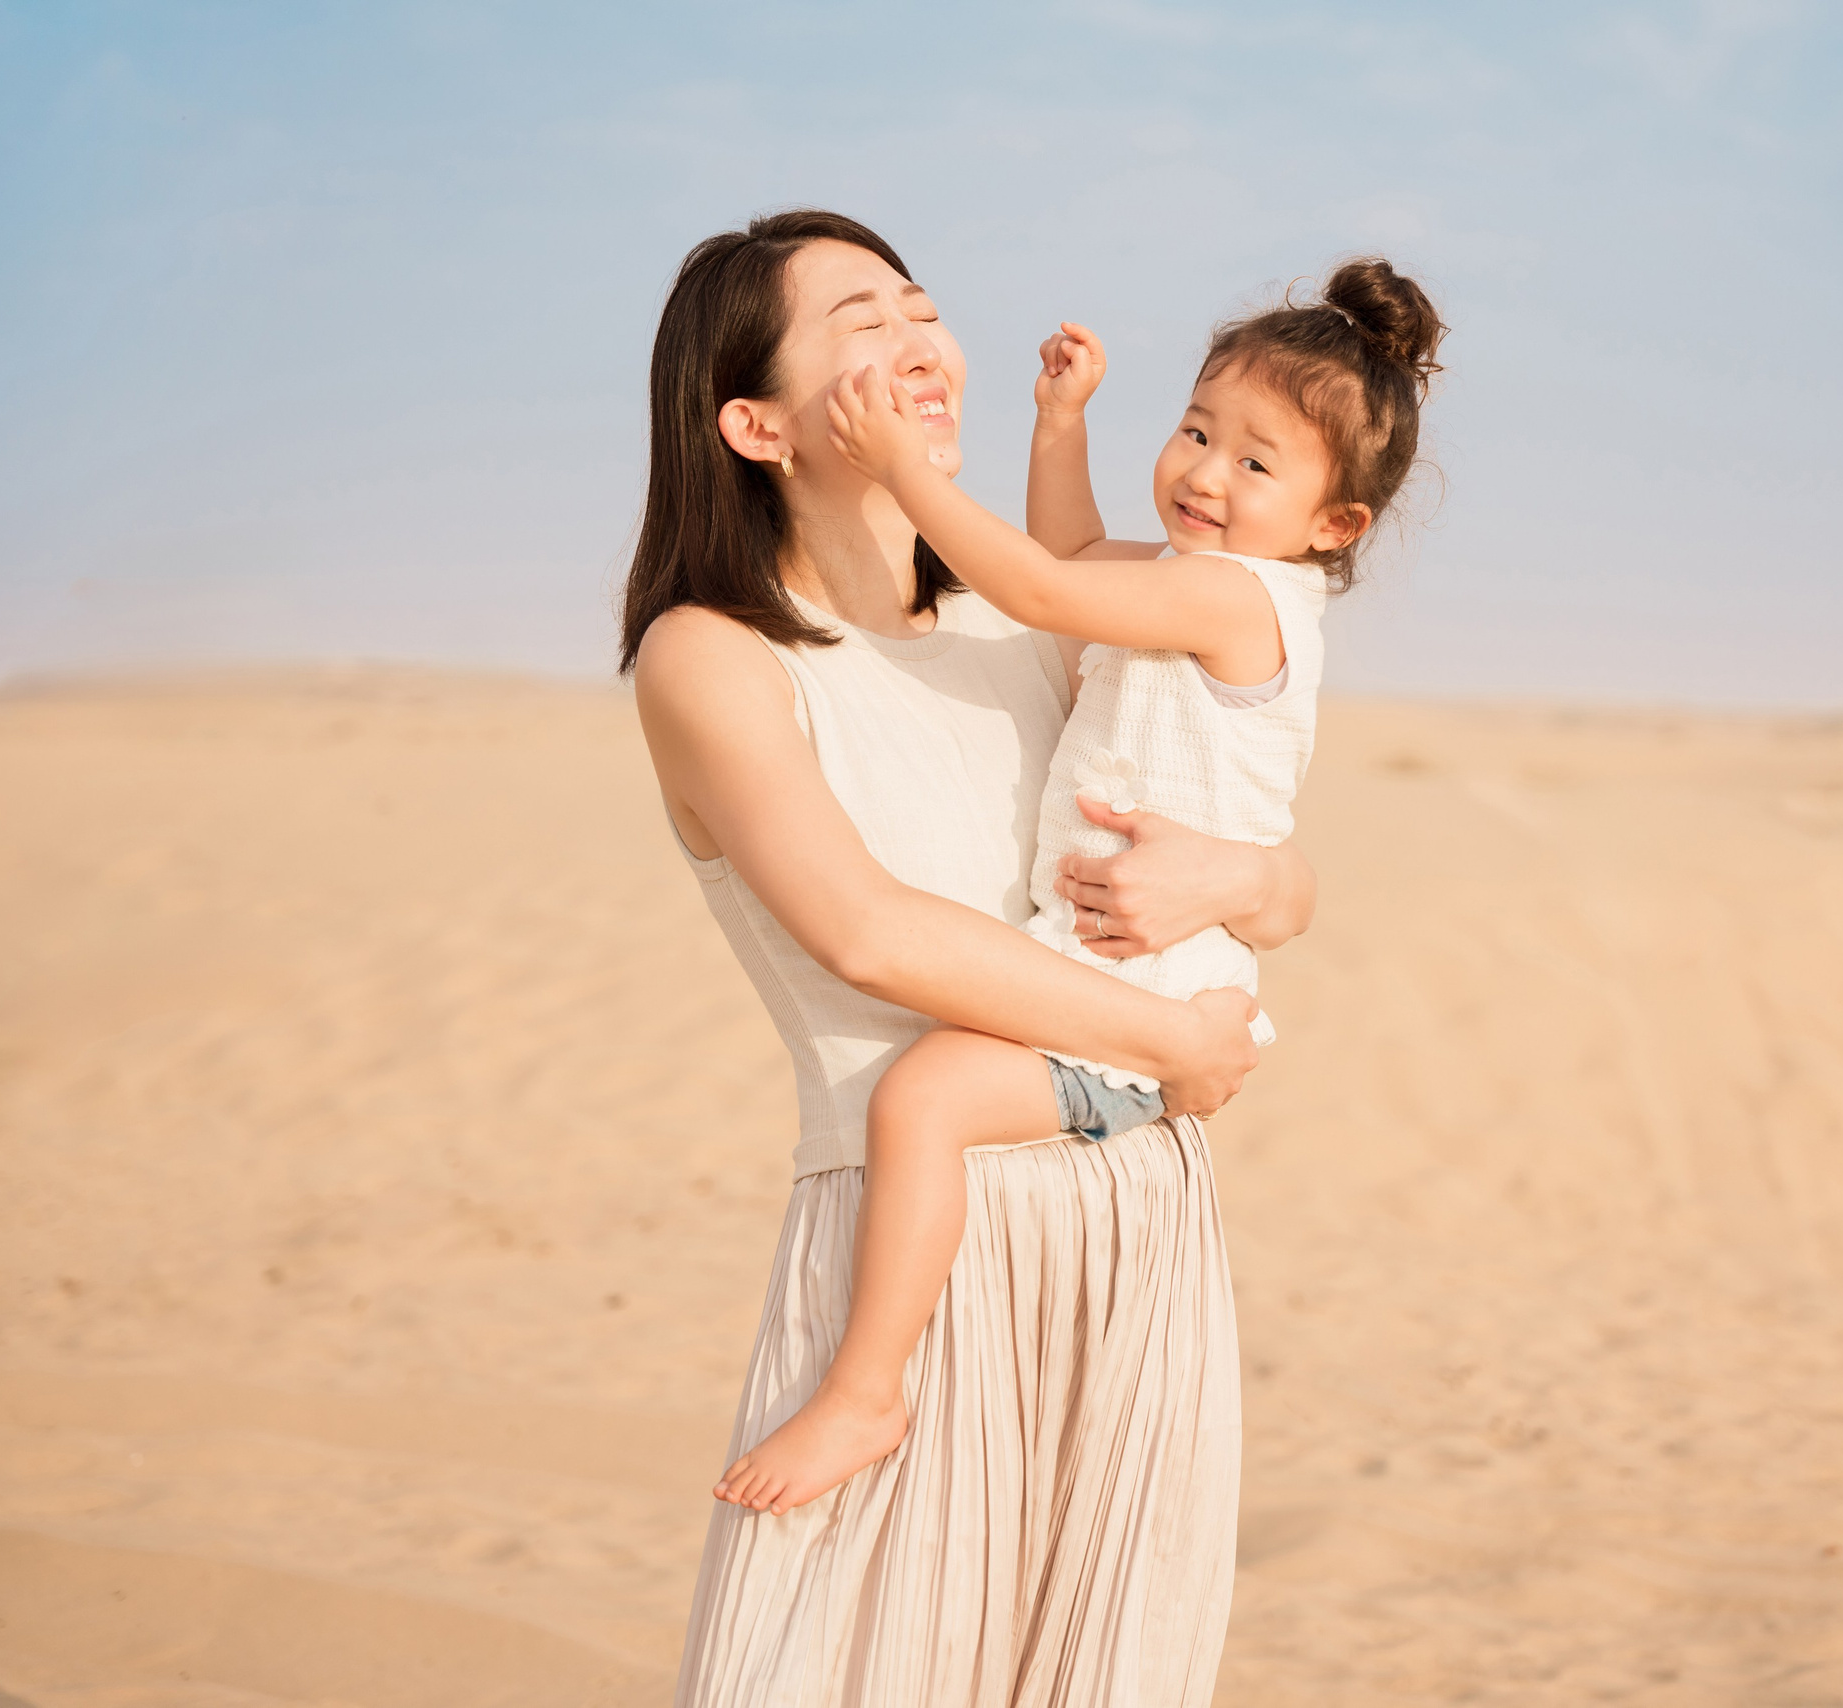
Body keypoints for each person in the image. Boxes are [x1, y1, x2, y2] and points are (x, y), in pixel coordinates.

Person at [625, 209, 1314, 1707]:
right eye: (856, 324)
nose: (914, 340)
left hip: (1131, 1214)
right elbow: (867, 930)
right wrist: (1166, 1040)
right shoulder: (711, 656)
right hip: (914, 1230)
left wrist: (1259, 878)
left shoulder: (1030, 618)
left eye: (917, 306)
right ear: (754, 422)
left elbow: (1246, 823)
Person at [709, 258, 1446, 1515]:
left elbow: (1039, 588)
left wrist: (907, 471)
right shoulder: (1179, 576)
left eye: (1256, 464)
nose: (1205, 474)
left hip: (1143, 981)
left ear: (1336, 525)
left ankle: (864, 1387)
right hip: (1119, 971)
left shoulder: (1230, 594)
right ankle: (875, 1383)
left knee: (926, 1096)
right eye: (1196, 431)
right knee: (933, 1092)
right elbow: (1066, 555)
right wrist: (1064, 429)